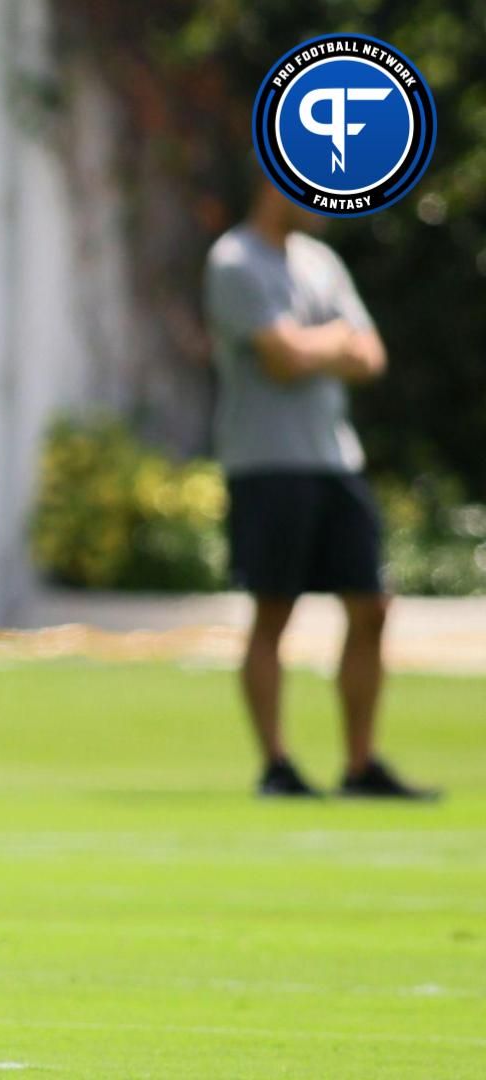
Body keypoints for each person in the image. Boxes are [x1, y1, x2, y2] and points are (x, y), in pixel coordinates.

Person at [203, 179, 436, 802]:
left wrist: (319, 346)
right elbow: (281, 360)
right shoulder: (235, 260)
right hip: (267, 462)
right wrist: (332, 342)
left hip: (336, 460)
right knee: (273, 608)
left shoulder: (320, 262)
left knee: (372, 606)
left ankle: (360, 766)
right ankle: (276, 766)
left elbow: (371, 355)